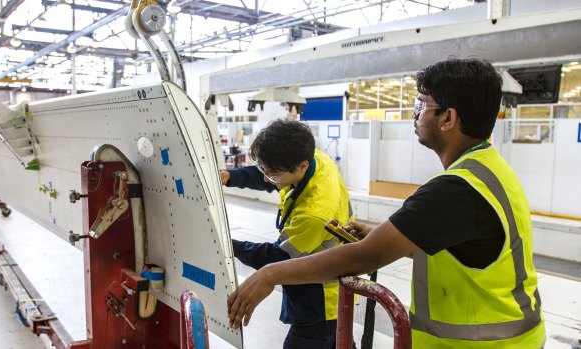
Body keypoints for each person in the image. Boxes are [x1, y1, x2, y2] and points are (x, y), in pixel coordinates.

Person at [227, 58, 545, 348]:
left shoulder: (455, 190)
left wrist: (269, 274)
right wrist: (386, 234)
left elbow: (365, 257)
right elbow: (467, 243)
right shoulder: (489, 170)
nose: (414, 113)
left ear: (448, 118)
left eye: (421, 105)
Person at [220, 119, 354, 349]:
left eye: (271, 174)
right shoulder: (315, 159)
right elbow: (273, 177)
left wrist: (226, 244)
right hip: (335, 288)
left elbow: (276, 259)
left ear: (300, 167)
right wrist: (231, 177)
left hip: (319, 296)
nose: (266, 178)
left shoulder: (314, 213)